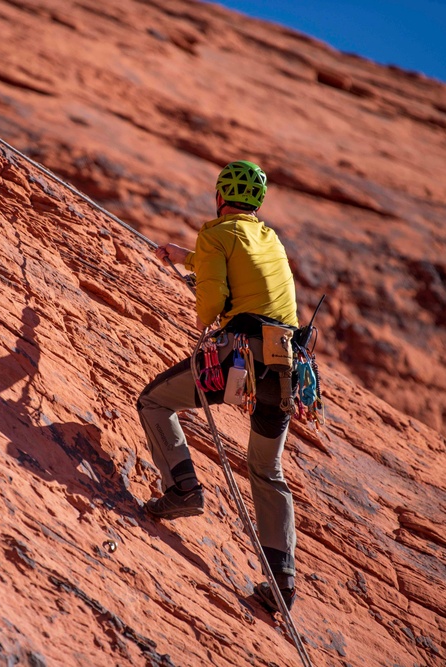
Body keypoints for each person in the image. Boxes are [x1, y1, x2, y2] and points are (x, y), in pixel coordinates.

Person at [136, 160, 301, 612]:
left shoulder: (214, 233)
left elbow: (209, 306)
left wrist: (202, 293)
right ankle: (282, 583)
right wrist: (186, 258)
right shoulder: (270, 239)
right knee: (267, 469)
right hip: (285, 369)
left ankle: (184, 490)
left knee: (153, 402)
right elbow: (245, 273)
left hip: (238, 360)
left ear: (219, 196)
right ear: (256, 204)